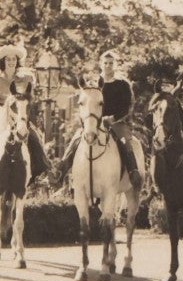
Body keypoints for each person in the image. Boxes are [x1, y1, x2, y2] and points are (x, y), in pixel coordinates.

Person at [56, 49, 143, 192]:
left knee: (125, 141)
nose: (108, 66)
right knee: (76, 139)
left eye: (111, 63)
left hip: (117, 122)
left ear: (115, 64)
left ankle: (133, 172)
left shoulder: (123, 84)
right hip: (95, 122)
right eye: (105, 63)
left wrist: (113, 118)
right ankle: (60, 172)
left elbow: (127, 106)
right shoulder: (94, 84)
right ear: (101, 64)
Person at [0, 44, 50, 186]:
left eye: (14, 59)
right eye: (8, 59)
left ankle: (41, 174)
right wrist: (2, 109)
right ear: (3, 61)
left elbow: (29, 98)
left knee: (35, 138)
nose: (11, 62)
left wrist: (32, 78)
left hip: (19, 117)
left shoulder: (24, 78)